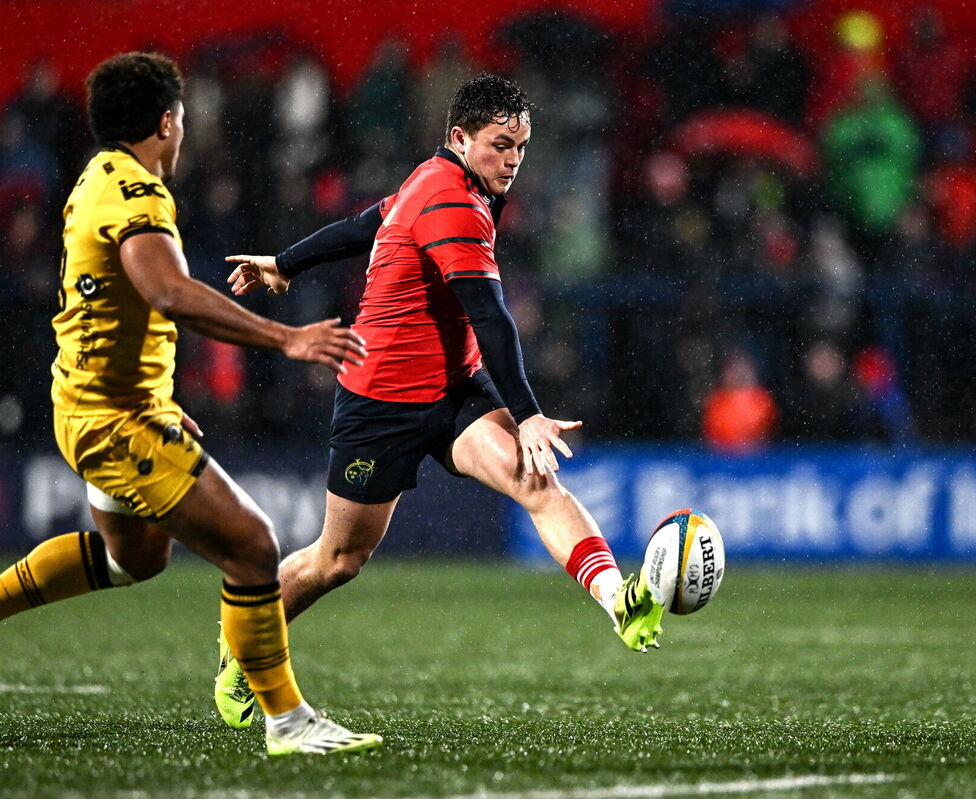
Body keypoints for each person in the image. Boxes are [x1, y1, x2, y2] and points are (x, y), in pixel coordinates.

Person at [0, 52, 381, 756]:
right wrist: (286, 338)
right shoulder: (137, 194)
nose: (184, 132)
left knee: (133, 558)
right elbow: (167, 292)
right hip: (114, 419)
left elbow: (119, 309)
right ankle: (286, 719)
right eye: (182, 120)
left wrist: (156, 394)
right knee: (253, 546)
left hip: (95, 401)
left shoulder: (94, 177)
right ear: (166, 122)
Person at [215, 74, 663, 730]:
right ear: (459, 138)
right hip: (380, 402)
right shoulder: (450, 197)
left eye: (522, 146)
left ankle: (618, 602)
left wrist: (286, 261)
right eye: (499, 144)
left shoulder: (449, 182)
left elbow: (368, 222)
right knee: (337, 560)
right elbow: (490, 312)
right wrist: (531, 411)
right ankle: (241, 648)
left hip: (455, 389)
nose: (512, 159)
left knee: (538, 482)